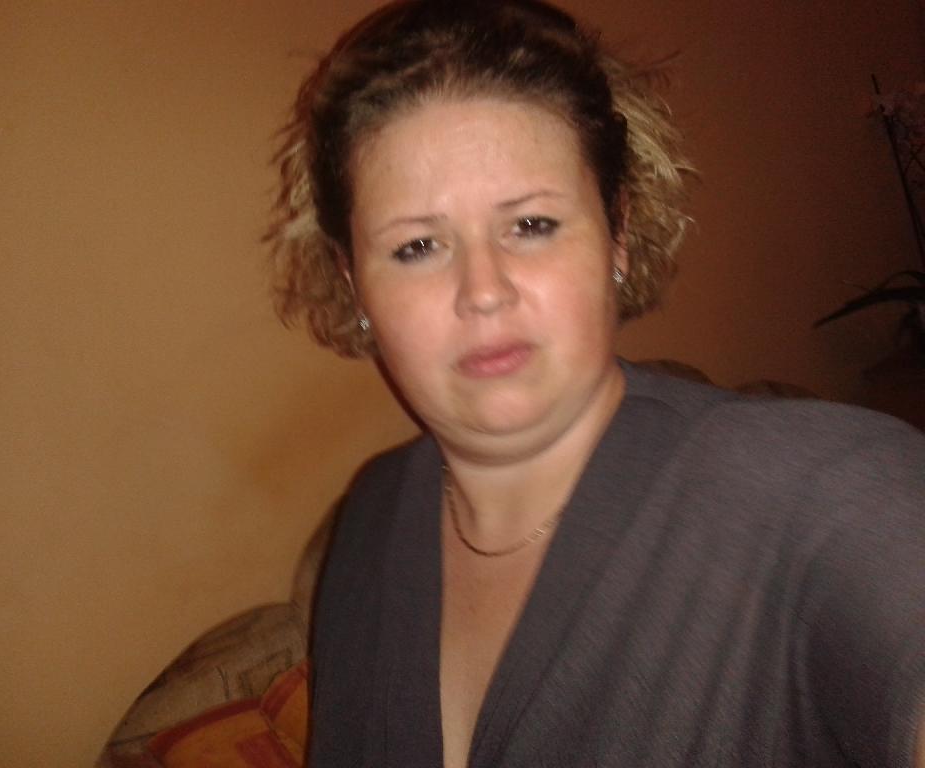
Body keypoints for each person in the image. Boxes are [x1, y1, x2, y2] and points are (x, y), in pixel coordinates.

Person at [265, 1, 925, 766]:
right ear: (354, 285)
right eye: (417, 246)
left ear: (617, 236)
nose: (484, 291)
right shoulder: (368, 519)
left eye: (531, 225)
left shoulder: (821, 489)